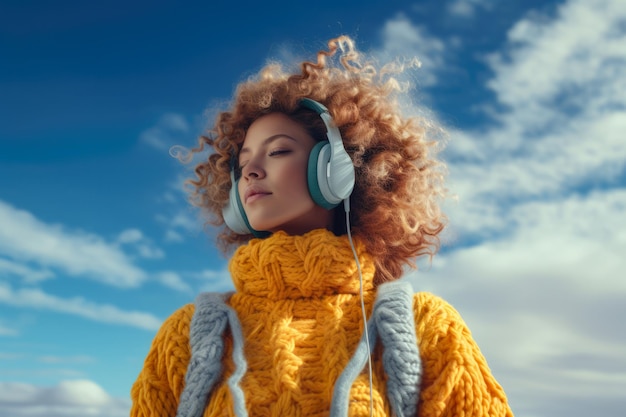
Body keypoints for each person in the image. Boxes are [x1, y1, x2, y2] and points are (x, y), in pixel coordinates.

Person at [130, 35, 513, 417]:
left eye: (278, 150)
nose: (250, 171)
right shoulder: (186, 337)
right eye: (243, 161)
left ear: (337, 170)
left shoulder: (426, 327)